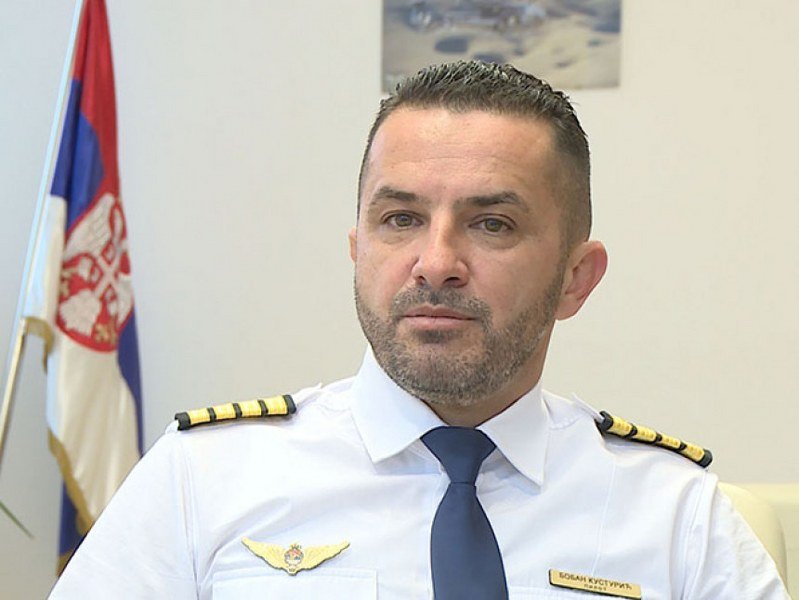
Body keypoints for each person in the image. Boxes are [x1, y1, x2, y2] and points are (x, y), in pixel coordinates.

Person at [50, 61, 788, 599]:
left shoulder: (676, 515)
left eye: (492, 224)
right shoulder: (203, 479)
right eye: (400, 219)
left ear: (575, 278)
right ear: (357, 249)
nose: (435, 263)